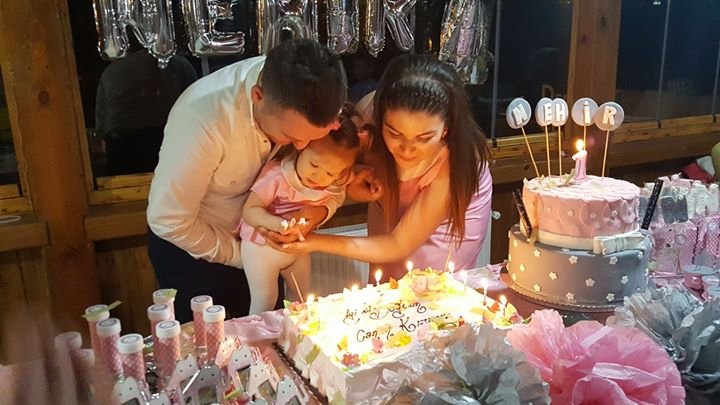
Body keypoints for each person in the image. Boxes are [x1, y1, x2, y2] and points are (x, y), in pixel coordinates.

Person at [146, 39, 348, 323]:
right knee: (210, 346)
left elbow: (335, 182)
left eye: (311, 139)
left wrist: (319, 211)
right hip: (193, 247)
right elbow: (168, 220)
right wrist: (246, 256)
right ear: (258, 96)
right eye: (289, 137)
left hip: (261, 244)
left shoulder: (317, 102)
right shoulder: (203, 121)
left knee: (271, 336)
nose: (301, 147)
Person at [278, 54, 493, 282]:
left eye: (424, 138)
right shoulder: (367, 120)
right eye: (394, 133)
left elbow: (398, 244)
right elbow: (336, 173)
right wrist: (346, 188)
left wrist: (314, 241)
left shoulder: (455, 160)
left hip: (442, 235)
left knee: (429, 292)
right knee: (385, 288)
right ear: (380, 118)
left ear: (446, 128)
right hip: (388, 221)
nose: (407, 149)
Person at [238, 107, 366, 314]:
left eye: (330, 173)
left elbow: (338, 194)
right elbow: (250, 211)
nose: (319, 177)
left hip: (298, 247)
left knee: (301, 297)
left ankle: (296, 332)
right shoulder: (277, 176)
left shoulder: (335, 180)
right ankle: (258, 336)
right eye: (314, 165)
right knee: (265, 301)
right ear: (300, 148)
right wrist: (279, 225)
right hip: (261, 247)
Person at [94, 50, 197, 175]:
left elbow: (101, 120)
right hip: (165, 135)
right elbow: (195, 104)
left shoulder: (111, 71)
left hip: (120, 142)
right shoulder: (176, 63)